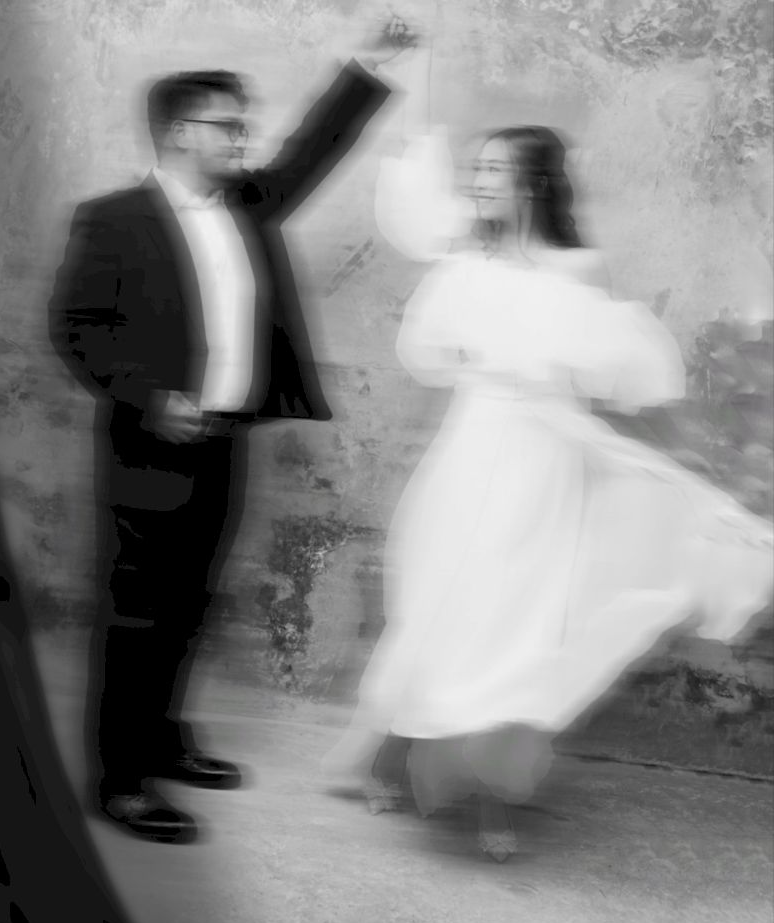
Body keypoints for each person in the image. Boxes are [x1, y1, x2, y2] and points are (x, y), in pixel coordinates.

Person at [324, 69, 773, 860]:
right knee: (440, 607)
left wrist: (670, 446)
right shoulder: (463, 263)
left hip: (545, 466)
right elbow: (427, 353)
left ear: (532, 183)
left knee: (521, 623)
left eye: (494, 170)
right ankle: (395, 754)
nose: (478, 181)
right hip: (468, 456)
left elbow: (621, 369)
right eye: (476, 169)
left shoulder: (576, 271)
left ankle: (494, 799)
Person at [48, 53, 394, 842]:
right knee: (139, 616)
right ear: (179, 132)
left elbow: (313, 150)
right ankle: (122, 782)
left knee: (191, 602)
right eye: (228, 126)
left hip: (224, 442)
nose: (243, 138)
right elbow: (76, 327)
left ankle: (162, 738)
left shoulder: (248, 204)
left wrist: (370, 66)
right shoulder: (111, 219)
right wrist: (148, 397)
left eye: (245, 126)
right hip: (148, 447)